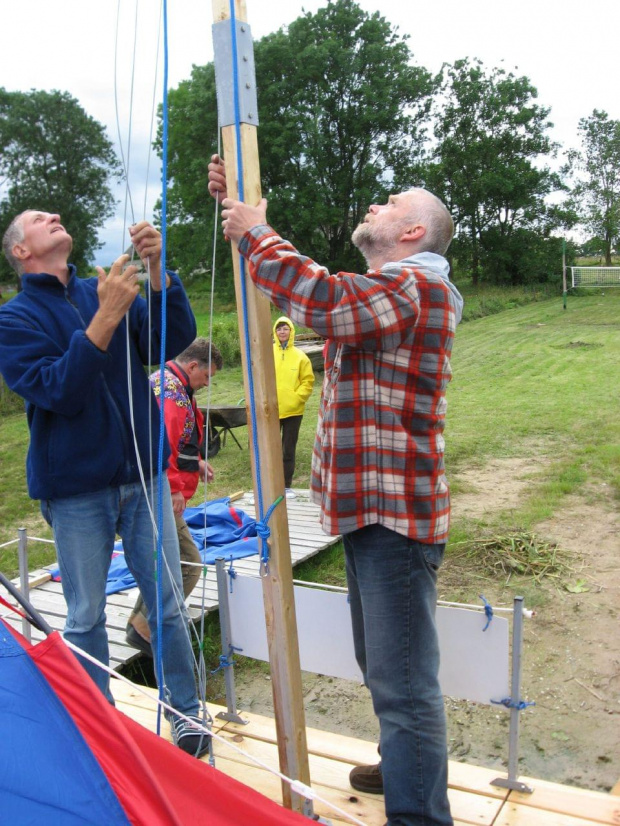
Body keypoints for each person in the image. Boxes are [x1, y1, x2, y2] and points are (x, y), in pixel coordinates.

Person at [209, 154, 463, 826]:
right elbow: (325, 296)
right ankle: (402, 762)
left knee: (404, 684)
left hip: (394, 520)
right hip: (370, 512)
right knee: (383, 664)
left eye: (392, 201)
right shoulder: (394, 290)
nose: (378, 204)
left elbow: (322, 300)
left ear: (412, 234)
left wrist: (254, 231)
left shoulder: (419, 289)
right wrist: (238, 205)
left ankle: (419, 815)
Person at [0, 210, 209, 758]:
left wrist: (158, 270)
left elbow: (175, 338)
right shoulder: (14, 320)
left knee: (165, 600)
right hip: (75, 492)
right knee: (86, 613)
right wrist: (107, 318)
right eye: (40, 220)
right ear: (21, 251)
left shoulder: (103, 288)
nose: (56, 217)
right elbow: (58, 391)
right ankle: (102, 727)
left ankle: (186, 715)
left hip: (143, 478)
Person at [126, 337, 223, 653]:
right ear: (193, 366)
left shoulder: (166, 382)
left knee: (166, 560)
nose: (207, 384)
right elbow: (160, 443)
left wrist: (195, 462)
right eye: (207, 376)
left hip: (151, 485)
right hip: (159, 489)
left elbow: (175, 439)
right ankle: (145, 629)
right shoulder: (173, 396)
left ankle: (141, 622)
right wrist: (174, 489)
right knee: (189, 562)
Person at [272, 315, 314, 499]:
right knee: (270, 449)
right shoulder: (266, 354)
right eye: (279, 328)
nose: (282, 332)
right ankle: (271, 485)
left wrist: (298, 398)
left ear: (291, 332)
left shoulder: (300, 357)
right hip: (271, 410)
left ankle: (286, 485)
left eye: (285, 328)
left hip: (293, 411)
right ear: (275, 332)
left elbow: (308, 381)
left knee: (288, 449)